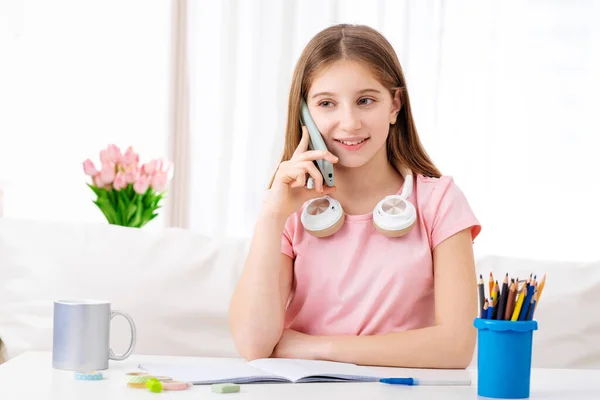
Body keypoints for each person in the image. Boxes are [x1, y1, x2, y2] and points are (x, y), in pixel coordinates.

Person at [229, 23, 481, 369]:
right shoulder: (288, 211)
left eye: (365, 100)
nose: (349, 123)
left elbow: (456, 347)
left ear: (395, 106)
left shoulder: (440, 203)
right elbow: (253, 344)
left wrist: (315, 347)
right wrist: (273, 214)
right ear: (305, 113)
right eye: (327, 103)